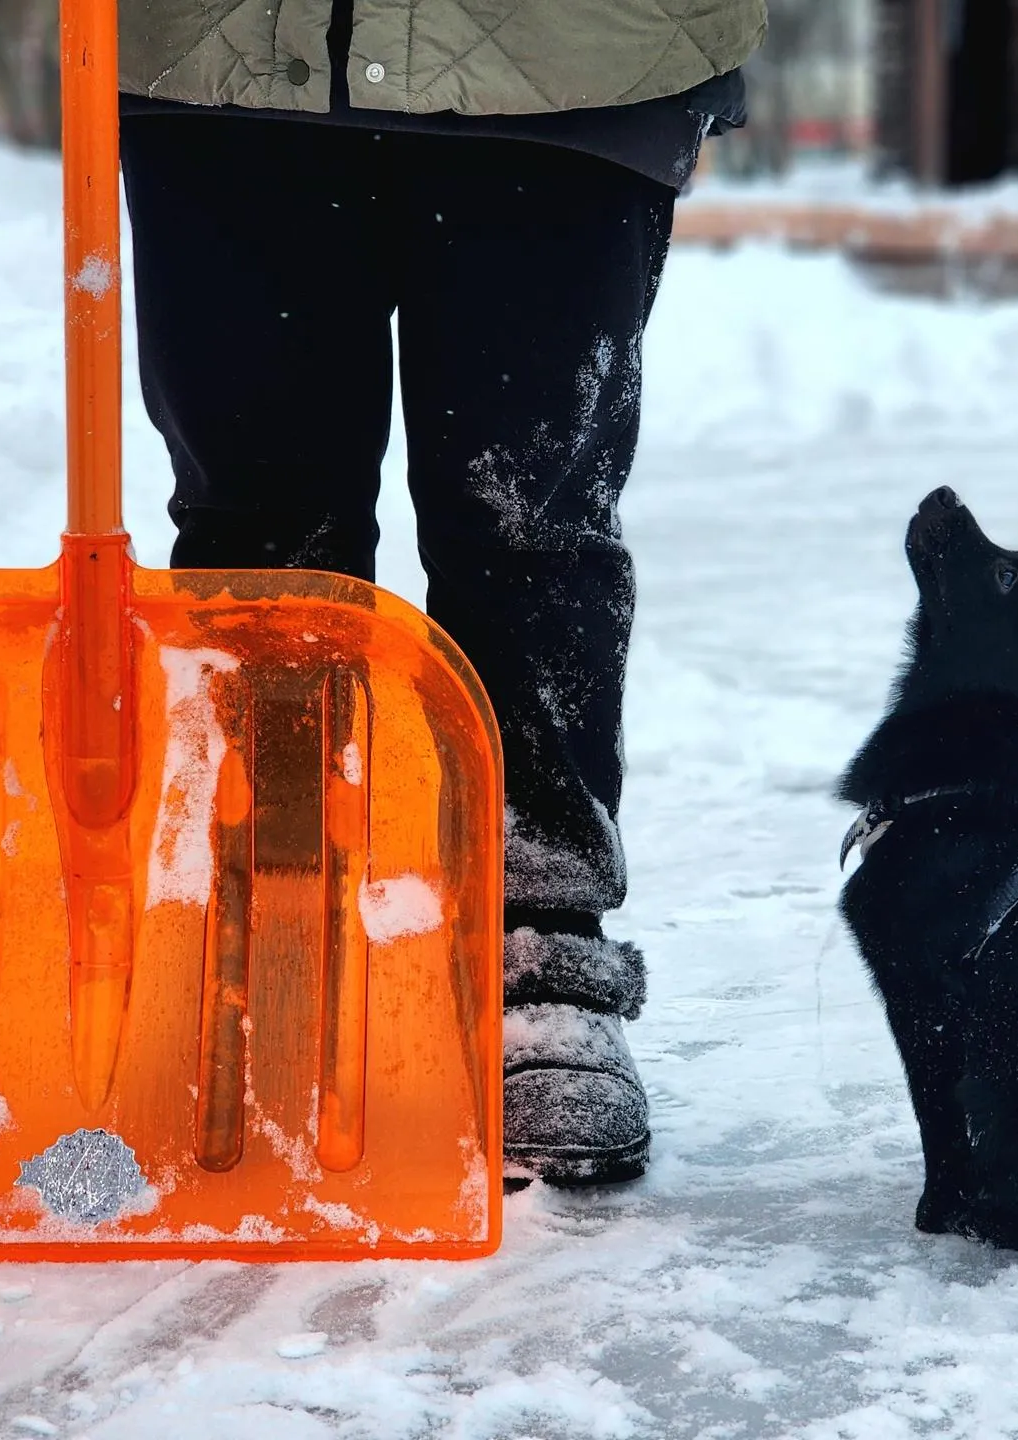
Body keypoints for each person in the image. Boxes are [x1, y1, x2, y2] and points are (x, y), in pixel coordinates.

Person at [116, 0, 768, 1186]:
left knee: (529, 519)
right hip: (223, 48)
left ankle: (540, 948)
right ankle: (270, 932)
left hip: (570, 55)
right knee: (261, 535)